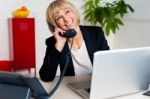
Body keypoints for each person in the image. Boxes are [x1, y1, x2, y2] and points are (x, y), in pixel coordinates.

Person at [39, 0, 110, 82]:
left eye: (67, 12)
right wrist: (59, 46)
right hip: (72, 86)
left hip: (98, 82)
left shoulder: (96, 33)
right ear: (55, 24)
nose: (66, 19)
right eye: (58, 17)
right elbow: (46, 77)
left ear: (74, 12)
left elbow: (108, 63)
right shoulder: (54, 42)